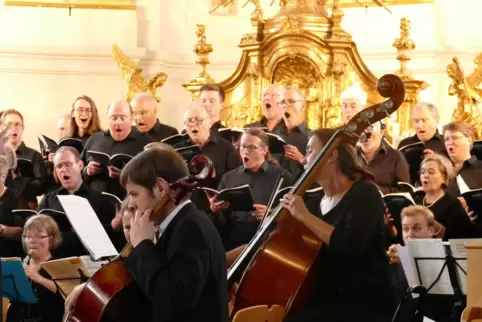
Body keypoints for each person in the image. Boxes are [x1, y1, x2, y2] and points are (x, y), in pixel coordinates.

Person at [65, 145, 228, 322]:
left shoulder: (190, 228)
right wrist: (93, 288)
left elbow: (173, 301)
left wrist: (143, 245)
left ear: (160, 188)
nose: (132, 203)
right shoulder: (179, 224)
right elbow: (153, 282)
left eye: (134, 194)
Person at [279, 129, 395, 322]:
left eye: (309, 151)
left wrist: (304, 216)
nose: (305, 159)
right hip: (324, 298)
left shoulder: (365, 193)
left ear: (332, 155)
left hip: (362, 304)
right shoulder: (313, 201)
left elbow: (350, 246)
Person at [208, 128, 293, 251]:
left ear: (264, 150)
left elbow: (292, 216)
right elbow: (221, 222)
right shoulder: (229, 178)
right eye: (243, 146)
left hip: (267, 243)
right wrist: (214, 210)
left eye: (252, 147)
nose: (245, 152)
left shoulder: (282, 177)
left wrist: (272, 214)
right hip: (233, 242)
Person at [6, 215, 64, 322]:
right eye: (28, 236)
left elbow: (65, 294)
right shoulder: (19, 264)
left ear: (51, 240)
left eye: (39, 236)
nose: (32, 241)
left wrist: (38, 277)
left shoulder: (58, 265)